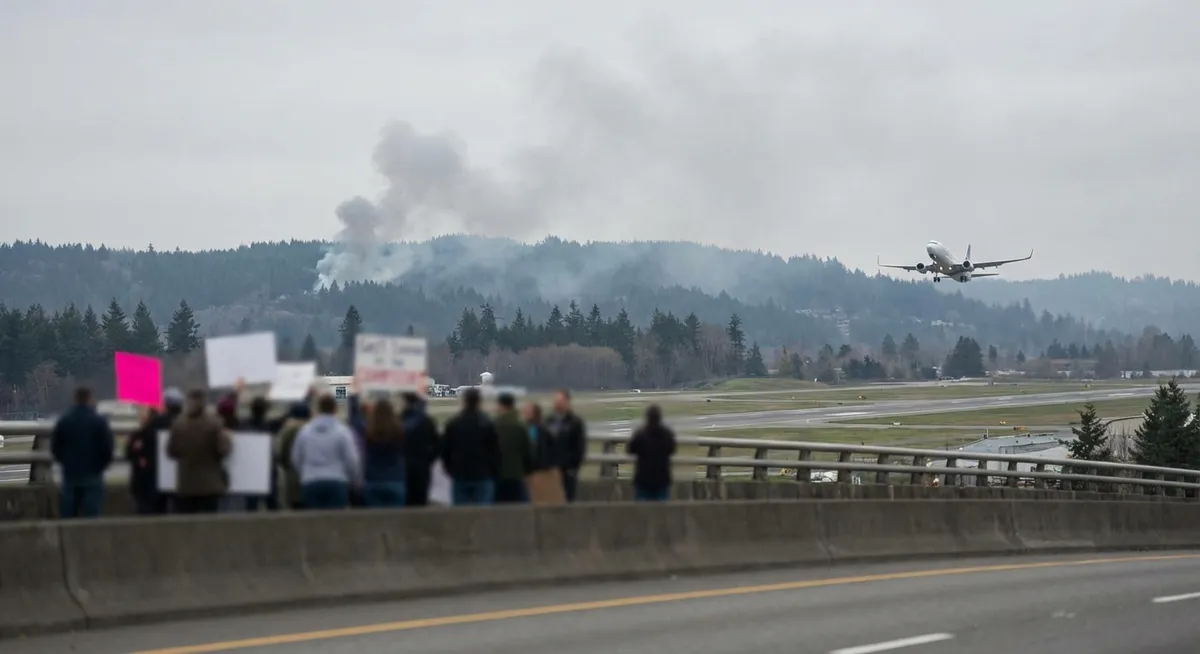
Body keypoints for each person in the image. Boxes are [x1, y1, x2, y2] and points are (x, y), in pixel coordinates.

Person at [51, 387, 114, 519]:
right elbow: (107, 448)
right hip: (93, 473)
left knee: (68, 514)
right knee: (92, 514)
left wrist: (65, 462)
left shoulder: (65, 420)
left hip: (71, 473)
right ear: (90, 399)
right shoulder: (99, 421)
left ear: (75, 399)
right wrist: (100, 466)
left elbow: (56, 447)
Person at [167, 389, 233, 514]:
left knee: (186, 528)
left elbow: (171, 451)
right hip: (210, 486)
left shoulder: (178, 424)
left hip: (186, 484)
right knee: (208, 527)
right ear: (204, 403)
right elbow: (224, 449)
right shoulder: (215, 423)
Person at [291, 394, 362, 510]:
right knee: (336, 523)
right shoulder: (343, 431)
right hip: (337, 480)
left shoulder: (305, 431)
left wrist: (304, 473)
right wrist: (354, 479)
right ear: (335, 409)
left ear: (318, 409)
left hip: (311, 480)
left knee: (313, 522)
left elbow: (296, 457)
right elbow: (352, 459)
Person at [440, 387, 501, 506]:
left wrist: (450, 470)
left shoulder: (454, 423)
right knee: (483, 515)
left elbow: (445, 449)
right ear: (479, 402)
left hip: (460, 474)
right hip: (483, 474)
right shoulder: (487, 423)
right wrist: (493, 470)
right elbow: (496, 450)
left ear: (464, 401)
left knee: (461, 516)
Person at [362, 398, 406, 507]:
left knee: (375, 521)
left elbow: (355, 421)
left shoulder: (369, 433)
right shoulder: (399, 432)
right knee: (396, 521)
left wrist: (355, 400)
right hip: (395, 480)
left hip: (373, 481)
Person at [627, 404, 676, 502]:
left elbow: (630, 450)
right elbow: (672, 450)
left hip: (643, 480)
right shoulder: (667, 435)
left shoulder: (640, 434)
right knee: (663, 512)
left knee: (642, 513)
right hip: (662, 479)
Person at [400, 392, 440, 507]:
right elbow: (437, 444)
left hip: (403, 465)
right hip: (422, 465)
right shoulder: (427, 421)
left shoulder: (399, 420)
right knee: (421, 501)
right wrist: (429, 460)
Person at [547, 389, 587, 502]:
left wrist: (573, 467)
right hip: (552, 471)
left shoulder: (575, 422)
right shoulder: (548, 421)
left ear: (567, 402)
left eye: (560, 401)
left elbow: (580, 447)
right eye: (556, 401)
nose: (557, 404)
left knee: (569, 500)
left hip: (568, 470)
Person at [125, 405, 164, 516]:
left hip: (145, 481)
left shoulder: (143, 435)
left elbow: (130, 453)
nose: (140, 415)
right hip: (149, 482)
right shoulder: (141, 435)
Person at [493, 393, 532, 504]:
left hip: (498, 474)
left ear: (501, 405)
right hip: (517, 474)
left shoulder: (494, 425)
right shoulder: (520, 426)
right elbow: (528, 451)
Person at [276, 401, 313, 510]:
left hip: (292, 477)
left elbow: (281, 454)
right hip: (310, 476)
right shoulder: (311, 430)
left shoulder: (287, 431)